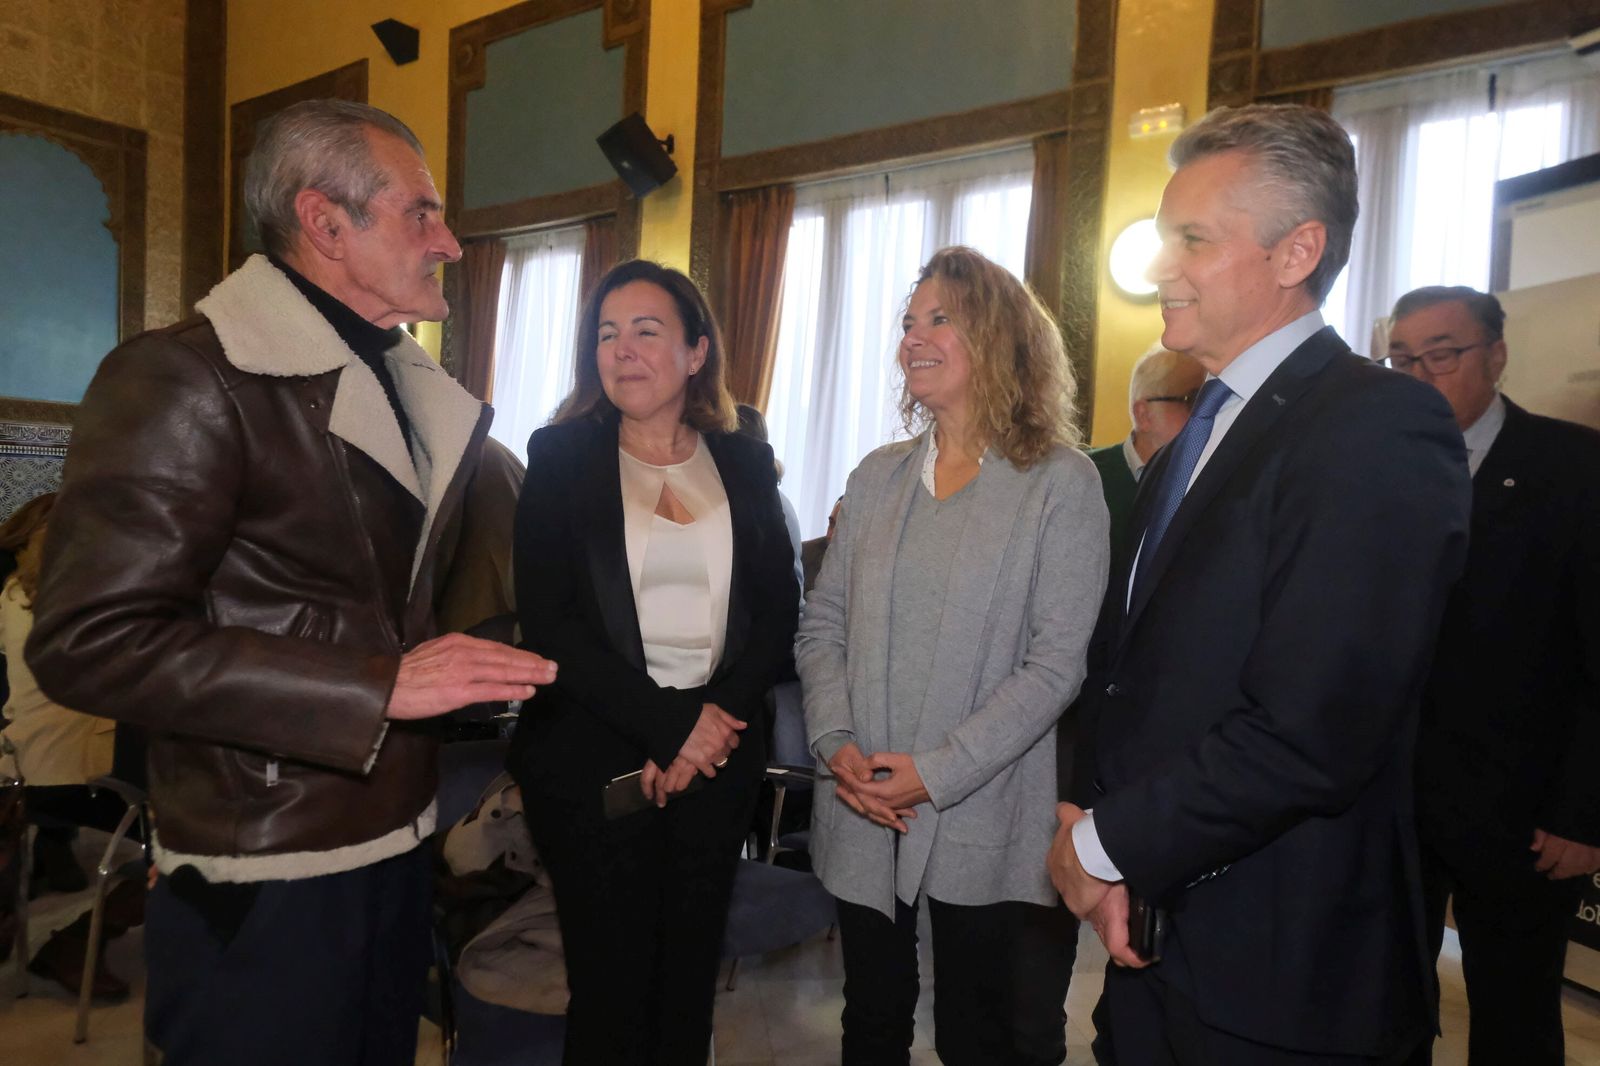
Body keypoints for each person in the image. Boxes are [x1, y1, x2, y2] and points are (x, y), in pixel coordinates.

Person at [26, 99, 556, 1066]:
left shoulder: (400, 386)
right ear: (324, 222)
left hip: (393, 841)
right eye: (420, 213)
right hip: (261, 867)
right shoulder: (185, 378)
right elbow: (86, 641)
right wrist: (378, 685)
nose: (450, 240)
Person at [1048, 104, 1472, 1065]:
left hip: (1285, 979)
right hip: (1156, 942)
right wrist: (1089, 812)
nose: (1161, 268)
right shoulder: (1191, 439)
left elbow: (1312, 732)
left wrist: (1103, 845)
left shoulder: (1378, 427)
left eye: (1192, 239)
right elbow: (1127, 666)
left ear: (1297, 253)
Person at [800, 246, 1108, 1066]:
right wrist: (837, 746)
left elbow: (1056, 666)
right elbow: (821, 622)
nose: (914, 337)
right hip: (864, 800)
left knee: (979, 1033)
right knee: (869, 1023)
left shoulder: (1061, 485)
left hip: (982, 806)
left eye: (941, 319)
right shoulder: (876, 478)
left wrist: (935, 769)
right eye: (909, 322)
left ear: (1001, 338)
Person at [508, 259, 798, 1065]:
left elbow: (778, 614)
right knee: (609, 988)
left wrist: (706, 732)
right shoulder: (561, 456)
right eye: (607, 334)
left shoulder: (741, 461)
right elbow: (552, 624)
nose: (623, 350)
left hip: (718, 757)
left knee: (686, 982)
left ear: (696, 352)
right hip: (594, 759)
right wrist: (671, 728)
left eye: (646, 331)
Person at [1387, 285, 1600, 1066]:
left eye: (1441, 355)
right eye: (1402, 358)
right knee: (1385, 1000)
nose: (1419, 374)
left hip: (1526, 814)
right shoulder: (1374, 470)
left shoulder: (1574, 469)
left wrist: (1585, 814)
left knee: (1515, 1014)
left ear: (1496, 357)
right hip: (1392, 802)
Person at [0, 493, 143, 999]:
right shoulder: (88, 600)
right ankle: (80, 941)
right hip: (77, 774)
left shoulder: (17, 592)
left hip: (25, 767)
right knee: (196, 841)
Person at [1086, 345, 1206, 578]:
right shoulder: (1086, 478)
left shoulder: (1213, 483)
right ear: (1143, 414)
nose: (1208, 413)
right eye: (1193, 399)